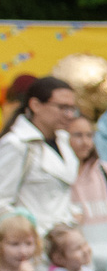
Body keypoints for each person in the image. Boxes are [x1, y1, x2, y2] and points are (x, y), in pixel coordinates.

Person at [0, 76, 82, 238]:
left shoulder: (64, 140)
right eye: (62, 107)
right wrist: (29, 231)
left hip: (67, 244)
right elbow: (2, 201)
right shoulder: (16, 144)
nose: (70, 115)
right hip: (33, 247)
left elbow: (63, 194)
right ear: (35, 105)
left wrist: (74, 213)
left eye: (72, 108)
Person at [62, 115, 107, 271]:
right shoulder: (59, 176)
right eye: (78, 135)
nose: (85, 142)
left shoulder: (105, 171)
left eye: (89, 135)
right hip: (76, 266)